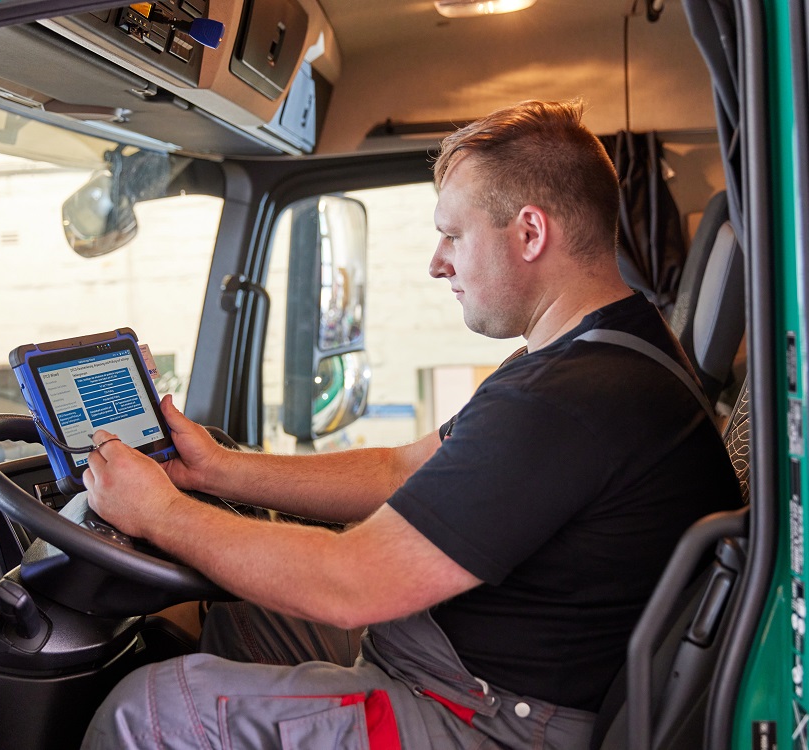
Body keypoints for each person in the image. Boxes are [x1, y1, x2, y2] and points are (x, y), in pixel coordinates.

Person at [79, 99, 742, 749]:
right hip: (463, 671)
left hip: (489, 720)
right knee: (249, 618)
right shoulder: (607, 350)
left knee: (149, 710)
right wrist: (215, 470)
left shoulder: (571, 399)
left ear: (530, 233)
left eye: (453, 234)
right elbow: (403, 469)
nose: (436, 261)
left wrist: (158, 512)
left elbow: (351, 584)